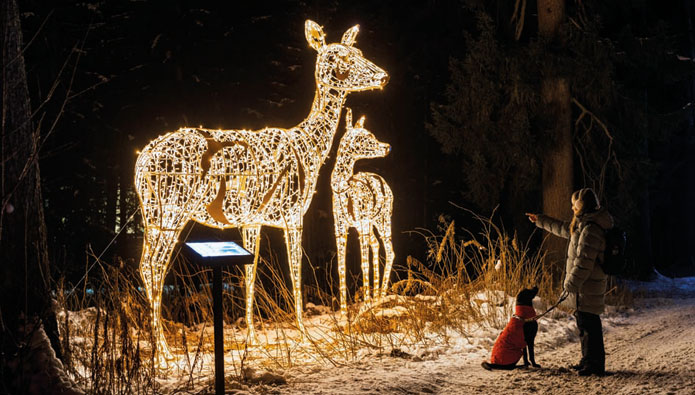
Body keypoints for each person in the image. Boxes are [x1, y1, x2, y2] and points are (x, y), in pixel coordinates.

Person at [525, 188, 613, 376]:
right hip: (584, 287)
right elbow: (565, 228)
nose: (572, 208)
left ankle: (595, 365)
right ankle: (587, 360)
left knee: (590, 326)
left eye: (575, 205)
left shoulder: (591, 229)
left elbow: (584, 262)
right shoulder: (584, 224)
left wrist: (570, 284)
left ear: (583, 206)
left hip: (587, 286)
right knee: (584, 324)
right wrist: (540, 220)